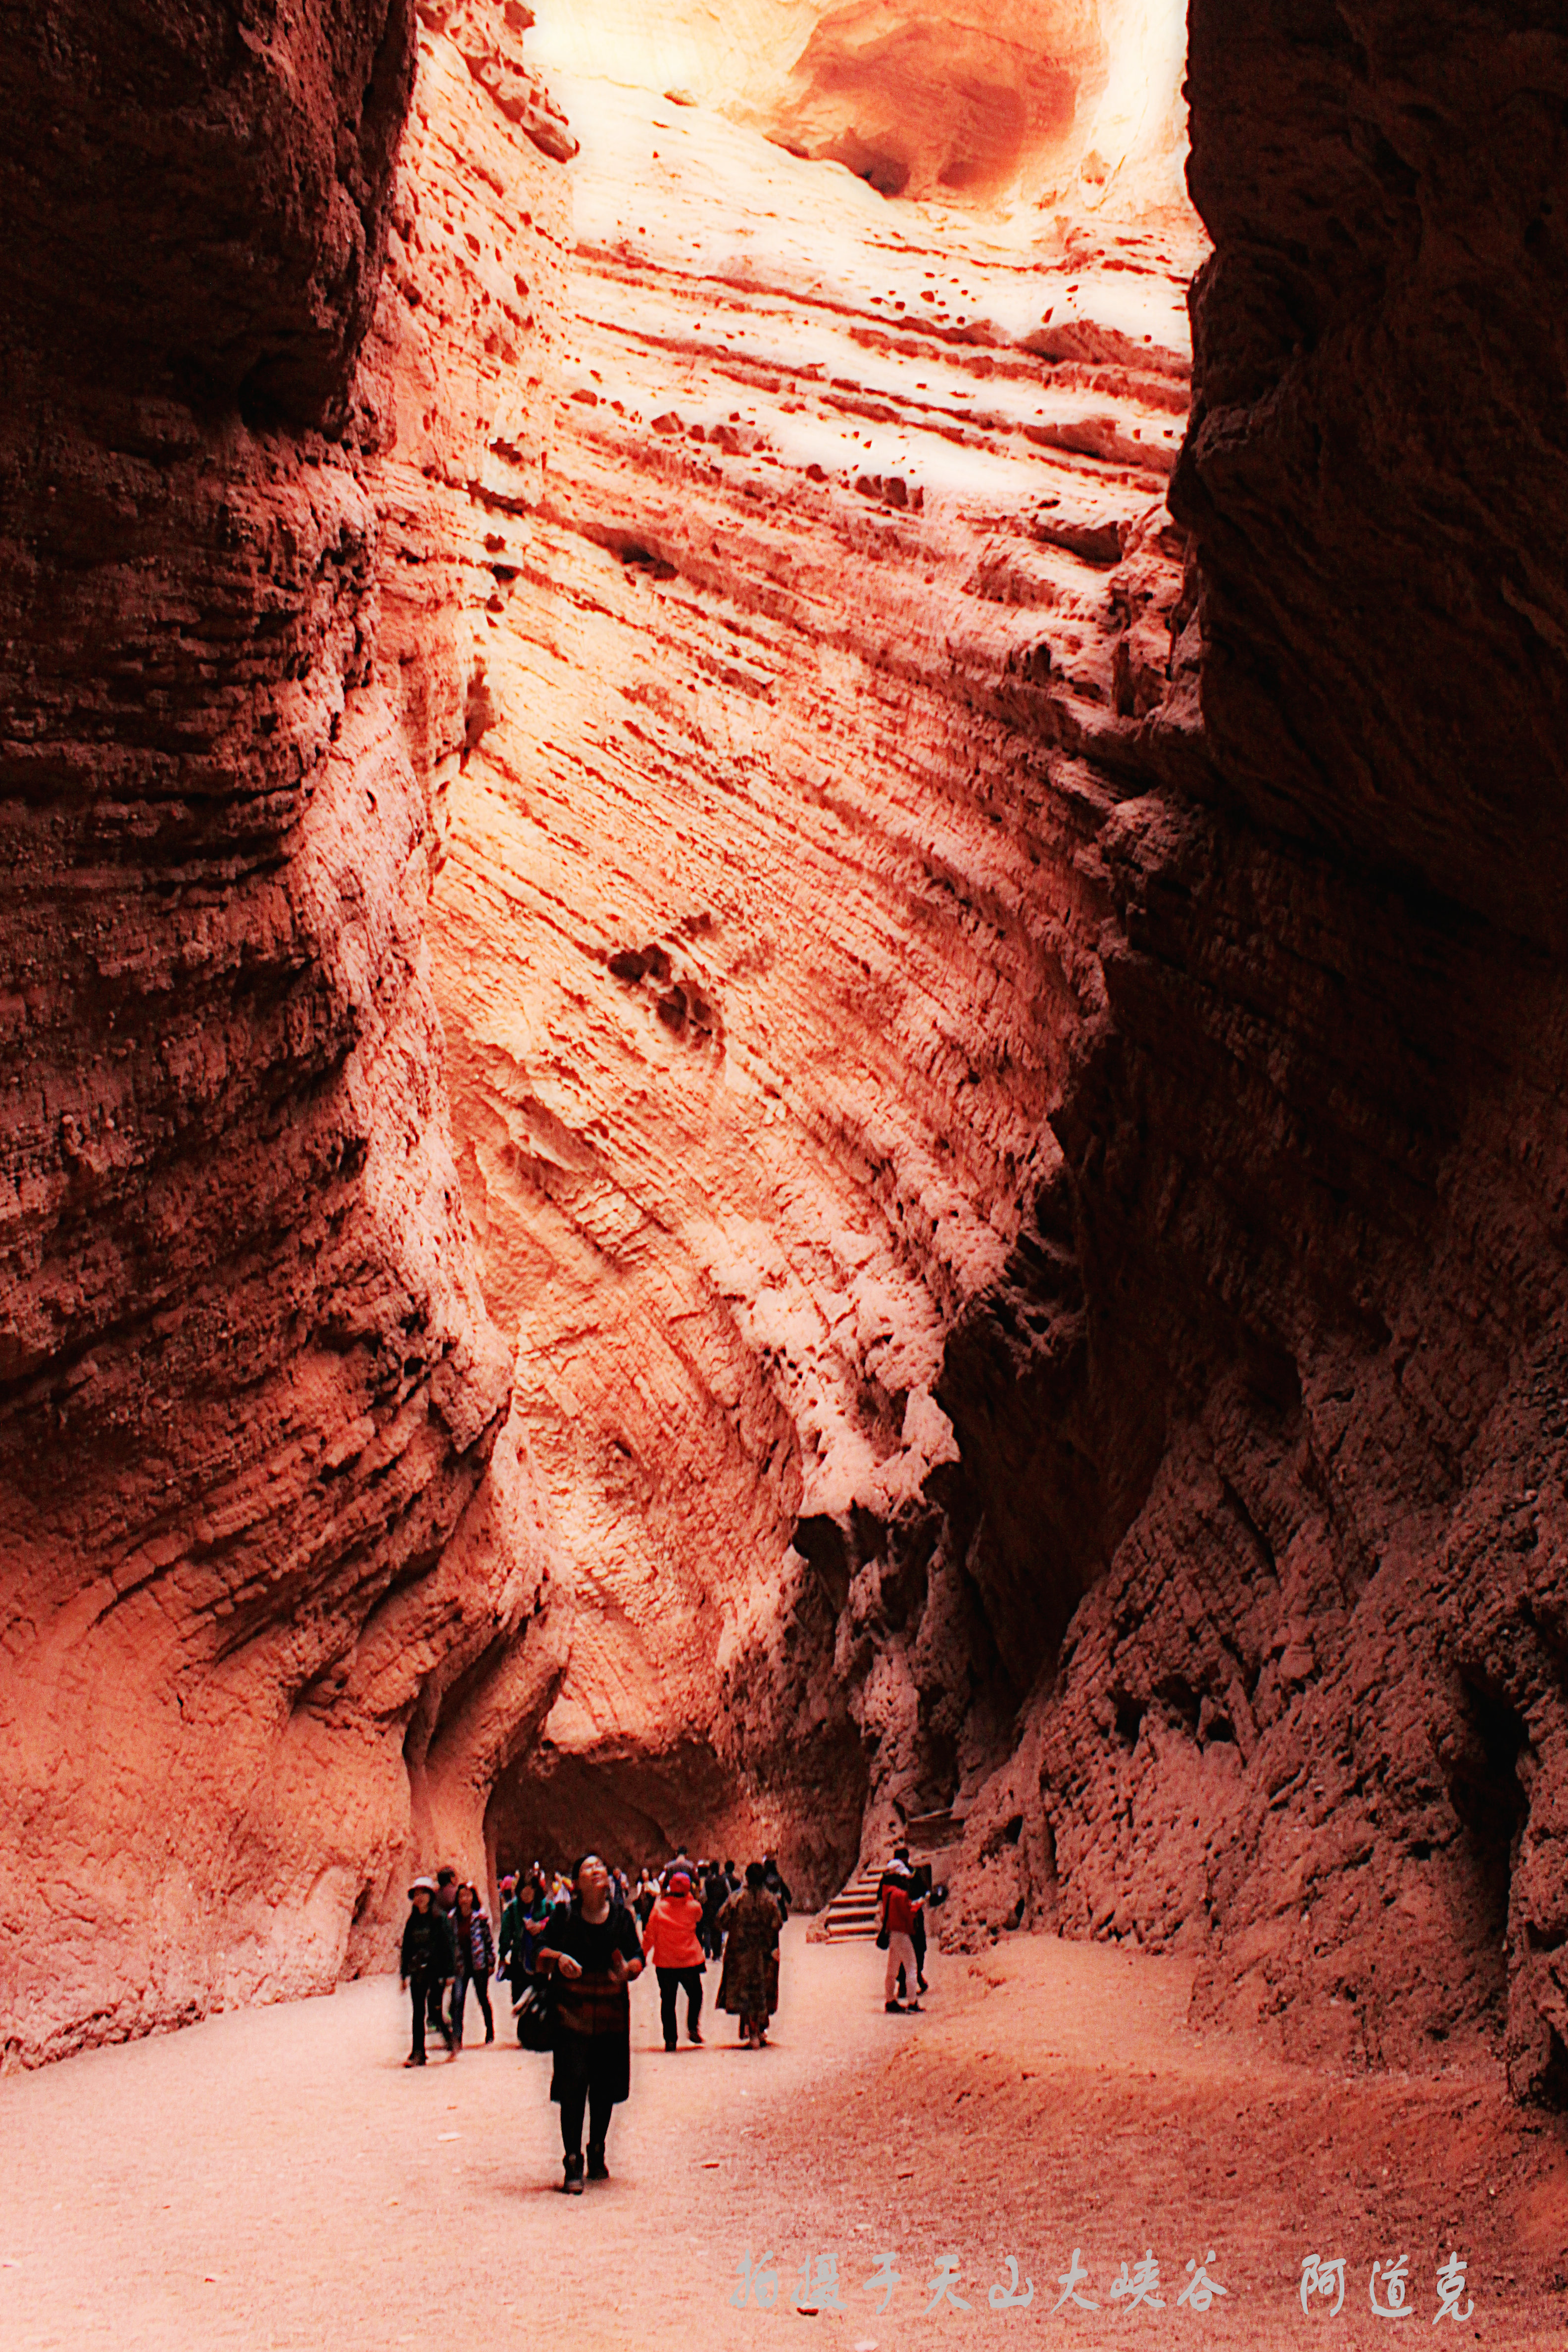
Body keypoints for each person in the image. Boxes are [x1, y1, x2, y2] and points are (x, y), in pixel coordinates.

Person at [536, 1853, 644, 2192]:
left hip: (611, 2014)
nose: (596, 1871)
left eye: (600, 1866)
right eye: (588, 1868)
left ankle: (597, 2151)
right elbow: (538, 1954)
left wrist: (629, 1970)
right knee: (573, 2086)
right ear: (578, 1883)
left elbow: (638, 1957)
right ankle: (572, 2162)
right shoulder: (564, 1917)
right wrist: (559, 1959)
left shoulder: (622, 1919)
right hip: (571, 2014)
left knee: (604, 2087)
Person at [717, 1862, 782, 2049]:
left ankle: (750, 2029)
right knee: (762, 1990)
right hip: (764, 1954)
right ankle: (759, 2029)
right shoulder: (770, 1900)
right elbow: (777, 1923)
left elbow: (722, 1919)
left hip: (740, 1953)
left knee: (745, 1991)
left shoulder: (737, 1899)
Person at [642, 1869, 706, 2050]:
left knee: (668, 2001)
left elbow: (650, 1935)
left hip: (665, 1962)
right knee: (696, 1995)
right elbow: (699, 1916)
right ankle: (693, 2027)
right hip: (689, 1961)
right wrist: (690, 1898)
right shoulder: (694, 1907)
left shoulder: (660, 1908)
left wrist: (642, 1955)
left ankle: (670, 2039)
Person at [399, 1877, 455, 2066]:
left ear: (430, 1896)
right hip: (418, 1973)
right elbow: (406, 1948)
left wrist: (450, 1973)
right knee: (418, 2012)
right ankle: (418, 2053)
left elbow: (449, 1947)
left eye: (423, 1894)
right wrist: (404, 1975)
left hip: (436, 1972)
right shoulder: (412, 1922)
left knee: (435, 2011)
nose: (420, 1898)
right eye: (416, 1895)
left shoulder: (440, 1919)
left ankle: (450, 2040)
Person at [450, 1881, 495, 2048]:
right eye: (462, 1896)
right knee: (458, 2000)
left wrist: (491, 1961)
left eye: (468, 1895)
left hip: (479, 1964)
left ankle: (490, 2030)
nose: (465, 1899)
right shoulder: (453, 1919)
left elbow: (488, 1940)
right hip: (461, 1965)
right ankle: (457, 2038)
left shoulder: (480, 1918)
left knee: (482, 1997)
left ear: (473, 1898)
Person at [880, 1863, 922, 2014]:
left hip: (892, 1935)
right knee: (911, 1968)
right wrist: (915, 1908)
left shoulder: (887, 1893)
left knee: (892, 1970)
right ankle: (912, 2002)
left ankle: (890, 2001)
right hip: (902, 1934)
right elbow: (908, 1914)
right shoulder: (900, 1895)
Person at [761, 1852, 792, 1922]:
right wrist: (789, 1899)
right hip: (778, 1906)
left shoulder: (763, 1879)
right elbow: (784, 1890)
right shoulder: (778, 1878)